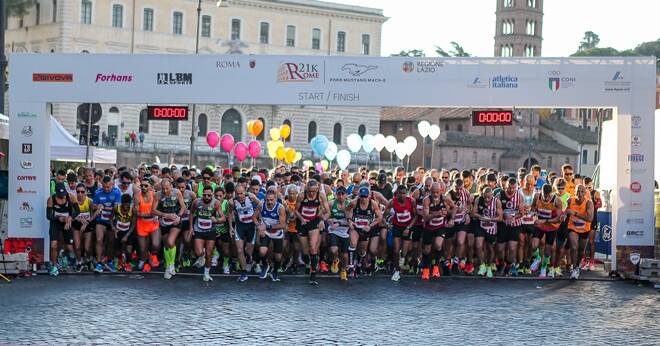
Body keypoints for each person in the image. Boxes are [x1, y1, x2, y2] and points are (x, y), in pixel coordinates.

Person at [295, 180, 330, 285]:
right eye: (310, 191)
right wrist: (301, 218)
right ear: (306, 189)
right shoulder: (301, 196)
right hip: (303, 222)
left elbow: (328, 211)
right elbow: (296, 210)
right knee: (305, 251)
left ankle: (313, 274)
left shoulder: (321, 196)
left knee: (313, 247)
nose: (311, 193)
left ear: (317, 189)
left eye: (314, 191)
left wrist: (322, 220)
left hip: (314, 221)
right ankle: (308, 263)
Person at [152, 178, 187, 279]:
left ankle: (171, 265)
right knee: (167, 245)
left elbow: (183, 206)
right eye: (163, 189)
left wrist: (179, 216)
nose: (165, 191)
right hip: (164, 222)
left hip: (175, 221)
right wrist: (164, 214)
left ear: (171, 186)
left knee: (171, 241)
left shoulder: (177, 193)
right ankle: (169, 266)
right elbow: (153, 210)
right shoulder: (158, 195)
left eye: (167, 188)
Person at [420, 182, 455, 280]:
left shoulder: (445, 198)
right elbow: (426, 217)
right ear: (430, 191)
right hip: (428, 227)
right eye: (434, 192)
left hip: (440, 226)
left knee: (438, 245)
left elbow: (454, 207)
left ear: (441, 191)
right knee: (427, 250)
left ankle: (436, 267)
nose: (436, 194)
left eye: (437, 192)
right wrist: (438, 213)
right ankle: (426, 269)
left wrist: (451, 218)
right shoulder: (426, 200)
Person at [190, 185, 223, 282]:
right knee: (199, 252)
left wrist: (216, 220)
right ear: (202, 194)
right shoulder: (196, 202)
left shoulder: (216, 203)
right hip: (199, 229)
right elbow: (191, 213)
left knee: (209, 254)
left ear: (212, 195)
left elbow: (223, 218)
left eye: (209, 195)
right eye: (205, 195)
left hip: (210, 231)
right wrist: (191, 227)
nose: (207, 197)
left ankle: (206, 273)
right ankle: (201, 256)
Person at [529, 184, 563, 278]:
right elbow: (533, 207)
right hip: (539, 225)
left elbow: (558, 219)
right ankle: (538, 258)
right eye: (544, 195)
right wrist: (533, 212)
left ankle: (543, 268)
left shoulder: (557, 200)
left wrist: (545, 220)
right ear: (541, 192)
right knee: (534, 245)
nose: (546, 198)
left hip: (551, 226)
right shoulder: (537, 196)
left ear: (551, 193)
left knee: (548, 251)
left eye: (548, 196)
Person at [229, 185, 261, 282]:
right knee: (239, 250)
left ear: (245, 191)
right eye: (237, 194)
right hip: (240, 226)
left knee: (248, 251)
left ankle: (250, 259)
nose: (240, 196)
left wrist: (258, 219)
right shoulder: (231, 201)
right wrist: (230, 226)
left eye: (241, 193)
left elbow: (261, 205)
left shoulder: (251, 196)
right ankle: (243, 273)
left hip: (251, 226)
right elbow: (230, 214)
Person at [46, 182, 79, 276]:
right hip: (56, 223)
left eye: (63, 194)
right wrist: (58, 218)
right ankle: (55, 266)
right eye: (60, 195)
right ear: (55, 193)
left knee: (70, 248)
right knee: (53, 245)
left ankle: (63, 255)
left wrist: (70, 218)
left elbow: (77, 211)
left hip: (67, 223)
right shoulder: (51, 199)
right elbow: (48, 216)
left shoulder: (71, 197)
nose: (62, 197)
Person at [255, 189, 287, 282]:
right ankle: (265, 265)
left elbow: (282, 225)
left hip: (277, 233)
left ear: (275, 199)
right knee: (262, 251)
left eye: (271, 200)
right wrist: (259, 226)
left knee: (278, 257)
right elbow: (254, 217)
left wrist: (267, 226)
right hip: (266, 233)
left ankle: (275, 271)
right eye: (267, 200)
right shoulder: (261, 205)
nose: (269, 202)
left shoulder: (280, 208)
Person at [92, 176, 122, 273]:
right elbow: (93, 206)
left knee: (111, 241)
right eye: (104, 187)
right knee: (99, 239)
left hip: (112, 221)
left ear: (112, 184)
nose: (106, 189)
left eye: (108, 187)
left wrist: (103, 207)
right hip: (100, 220)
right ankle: (99, 262)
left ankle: (109, 261)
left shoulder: (117, 192)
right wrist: (97, 206)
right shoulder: (98, 192)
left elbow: (117, 208)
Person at [387, 184, 416, 281]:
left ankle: (403, 262)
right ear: (397, 194)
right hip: (397, 226)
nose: (402, 195)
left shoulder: (411, 201)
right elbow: (383, 214)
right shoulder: (392, 202)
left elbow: (415, 216)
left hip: (407, 227)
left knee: (404, 251)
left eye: (404, 193)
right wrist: (387, 224)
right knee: (396, 249)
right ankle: (396, 270)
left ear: (407, 193)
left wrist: (409, 227)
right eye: (400, 193)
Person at [565, 184, 594, 280]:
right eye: (578, 191)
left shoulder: (588, 203)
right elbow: (567, 211)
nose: (579, 194)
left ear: (585, 193)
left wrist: (576, 213)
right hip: (572, 227)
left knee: (581, 251)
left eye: (582, 192)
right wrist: (564, 215)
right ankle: (574, 269)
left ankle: (577, 266)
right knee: (574, 247)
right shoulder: (570, 200)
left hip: (584, 229)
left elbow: (590, 219)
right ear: (575, 192)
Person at [496, 177, 524, 276]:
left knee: (512, 247)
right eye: (509, 188)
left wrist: (513, 218)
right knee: (500, 249)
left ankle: (508, 265)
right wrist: (503, 217)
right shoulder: (499, 195)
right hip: (502, 224)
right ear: (505, 186)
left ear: (516, 187)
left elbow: (521, 213)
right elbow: (496, 211)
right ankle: (501, 263)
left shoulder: (519, 196)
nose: (511, 190)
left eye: (513, 188)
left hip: (514, 225)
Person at [473, 187, 502, 278]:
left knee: (490, 248)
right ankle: (482, 266)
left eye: (489, 197)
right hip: (481, 225)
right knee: (478, 245)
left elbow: (500, 218)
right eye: (485, 197)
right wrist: (481, 216)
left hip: (492, 227)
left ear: (492, 195)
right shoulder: (478, 199)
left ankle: (489, 266)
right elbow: (473, 213)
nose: (487, 199)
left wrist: (490, 219)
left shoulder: (497, 202)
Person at [447, 178, 473, 274]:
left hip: (462, 221)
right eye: (456, 189)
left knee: (461, 241)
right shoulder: (448, 195)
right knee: (450, 242)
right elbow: (446, 212)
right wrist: (454, 211)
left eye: (460, 189)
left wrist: (466, 213)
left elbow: (470, 207)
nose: (458, 191)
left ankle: (456, 263)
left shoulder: (466, 193)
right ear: (453, 186)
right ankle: (447, 261)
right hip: (451, 221)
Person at [135, 177, 160, 272]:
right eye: (142, 185)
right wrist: (151, 213)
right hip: (142, 224)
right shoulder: (137, 196)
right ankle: (144, 259)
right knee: (142, 248)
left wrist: (156, 215)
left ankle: (153, 256)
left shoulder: (154, 194)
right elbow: (137, 213)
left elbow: (159, 207)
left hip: (153, 223)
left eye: (146, 185)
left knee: (156, 244)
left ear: (150, 186)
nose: (143, 187)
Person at [328, 186, 351, 281]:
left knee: (345, 255)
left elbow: (350, 222)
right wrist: (329, 220)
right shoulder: (331, 204)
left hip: (345, 231)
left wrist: (339, 223)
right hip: (333, 230)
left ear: (346, 195)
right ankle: (335, 260)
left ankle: (343, 270)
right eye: (339, 194)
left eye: (343, 194)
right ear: (336, 195)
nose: (341, 196)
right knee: (333, 250)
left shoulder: (349, 205)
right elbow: (324, 215)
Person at [71, 183, 93, 272]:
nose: (80, 194)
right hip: (76, 224)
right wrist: (79, 220)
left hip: (87, 225)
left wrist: (86, 222)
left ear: (85, 192)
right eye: (78, 192)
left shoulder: (89, 201)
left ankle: (87, 260)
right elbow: (71, 215)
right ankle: (79, 262)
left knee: (87, 248)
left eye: (82, 192)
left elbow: (93, 215)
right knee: (77, 247)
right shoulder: (73, 201)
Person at [519, 174, 537, 275]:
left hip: (531, 221)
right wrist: (522, 208)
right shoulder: (519, 192)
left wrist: (532, 208)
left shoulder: (536, 193)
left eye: (531, 184)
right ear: (524, 182)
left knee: (530, 244)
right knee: (522, 243)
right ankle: (521, 264)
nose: (529, 186)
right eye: (527, 183)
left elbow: (536, 207)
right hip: (521, 221)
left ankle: (527, 262)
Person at [113, 194, 136, 272]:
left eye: (128, 204)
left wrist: (127, 235)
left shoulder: (133, 210)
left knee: (128, 250)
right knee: (118, 252)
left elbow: (133, 224)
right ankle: (120, 261)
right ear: (121, 202)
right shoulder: (116, 208)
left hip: (128, 231)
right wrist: (113, 228)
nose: (126, 206)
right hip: (119, 231)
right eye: (124, 204)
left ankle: (128, 264)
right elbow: (110, 219)